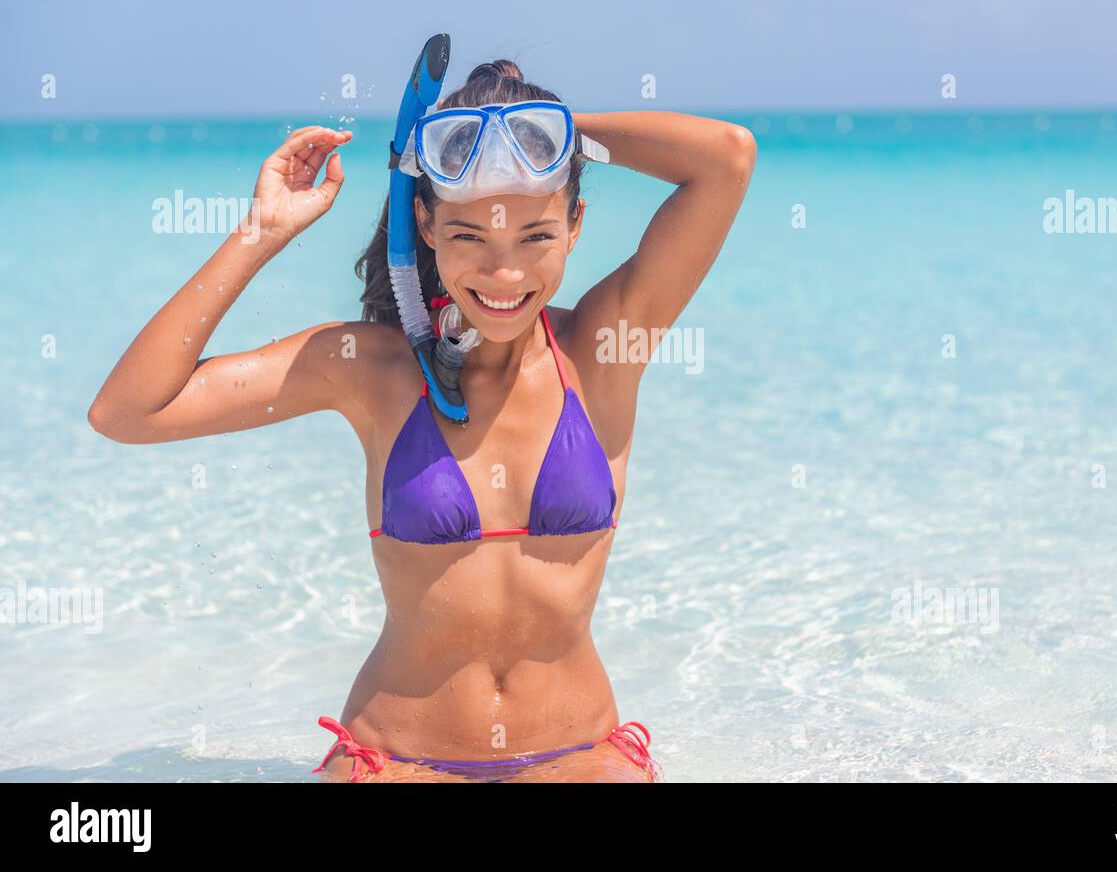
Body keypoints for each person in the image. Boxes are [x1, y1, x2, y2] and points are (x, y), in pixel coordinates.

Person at [88, 57, 756, 782]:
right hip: (396, 759)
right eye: (470, 236)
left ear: (574, 223)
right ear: (427, 226)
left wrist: (541, 132)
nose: (504, 277)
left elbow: (726, 159)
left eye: (535, 236)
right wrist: (261, 230)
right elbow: (129, 410)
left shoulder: (604, 350)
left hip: (579, 758)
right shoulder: (368, 367)